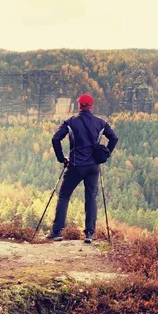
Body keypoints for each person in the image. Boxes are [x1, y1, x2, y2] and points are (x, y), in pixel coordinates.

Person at [49, 94, 119, 243]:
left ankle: (57, 232)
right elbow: (114, 138)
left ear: (79, 106)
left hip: (75, 165)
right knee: (91, 198)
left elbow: (55, 139)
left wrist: (62, 159)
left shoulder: (71, 122)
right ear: (91, 106)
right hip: (93, 166)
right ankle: (89, 234)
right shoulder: (101, 123)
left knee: (64, 196)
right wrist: (106, 154)